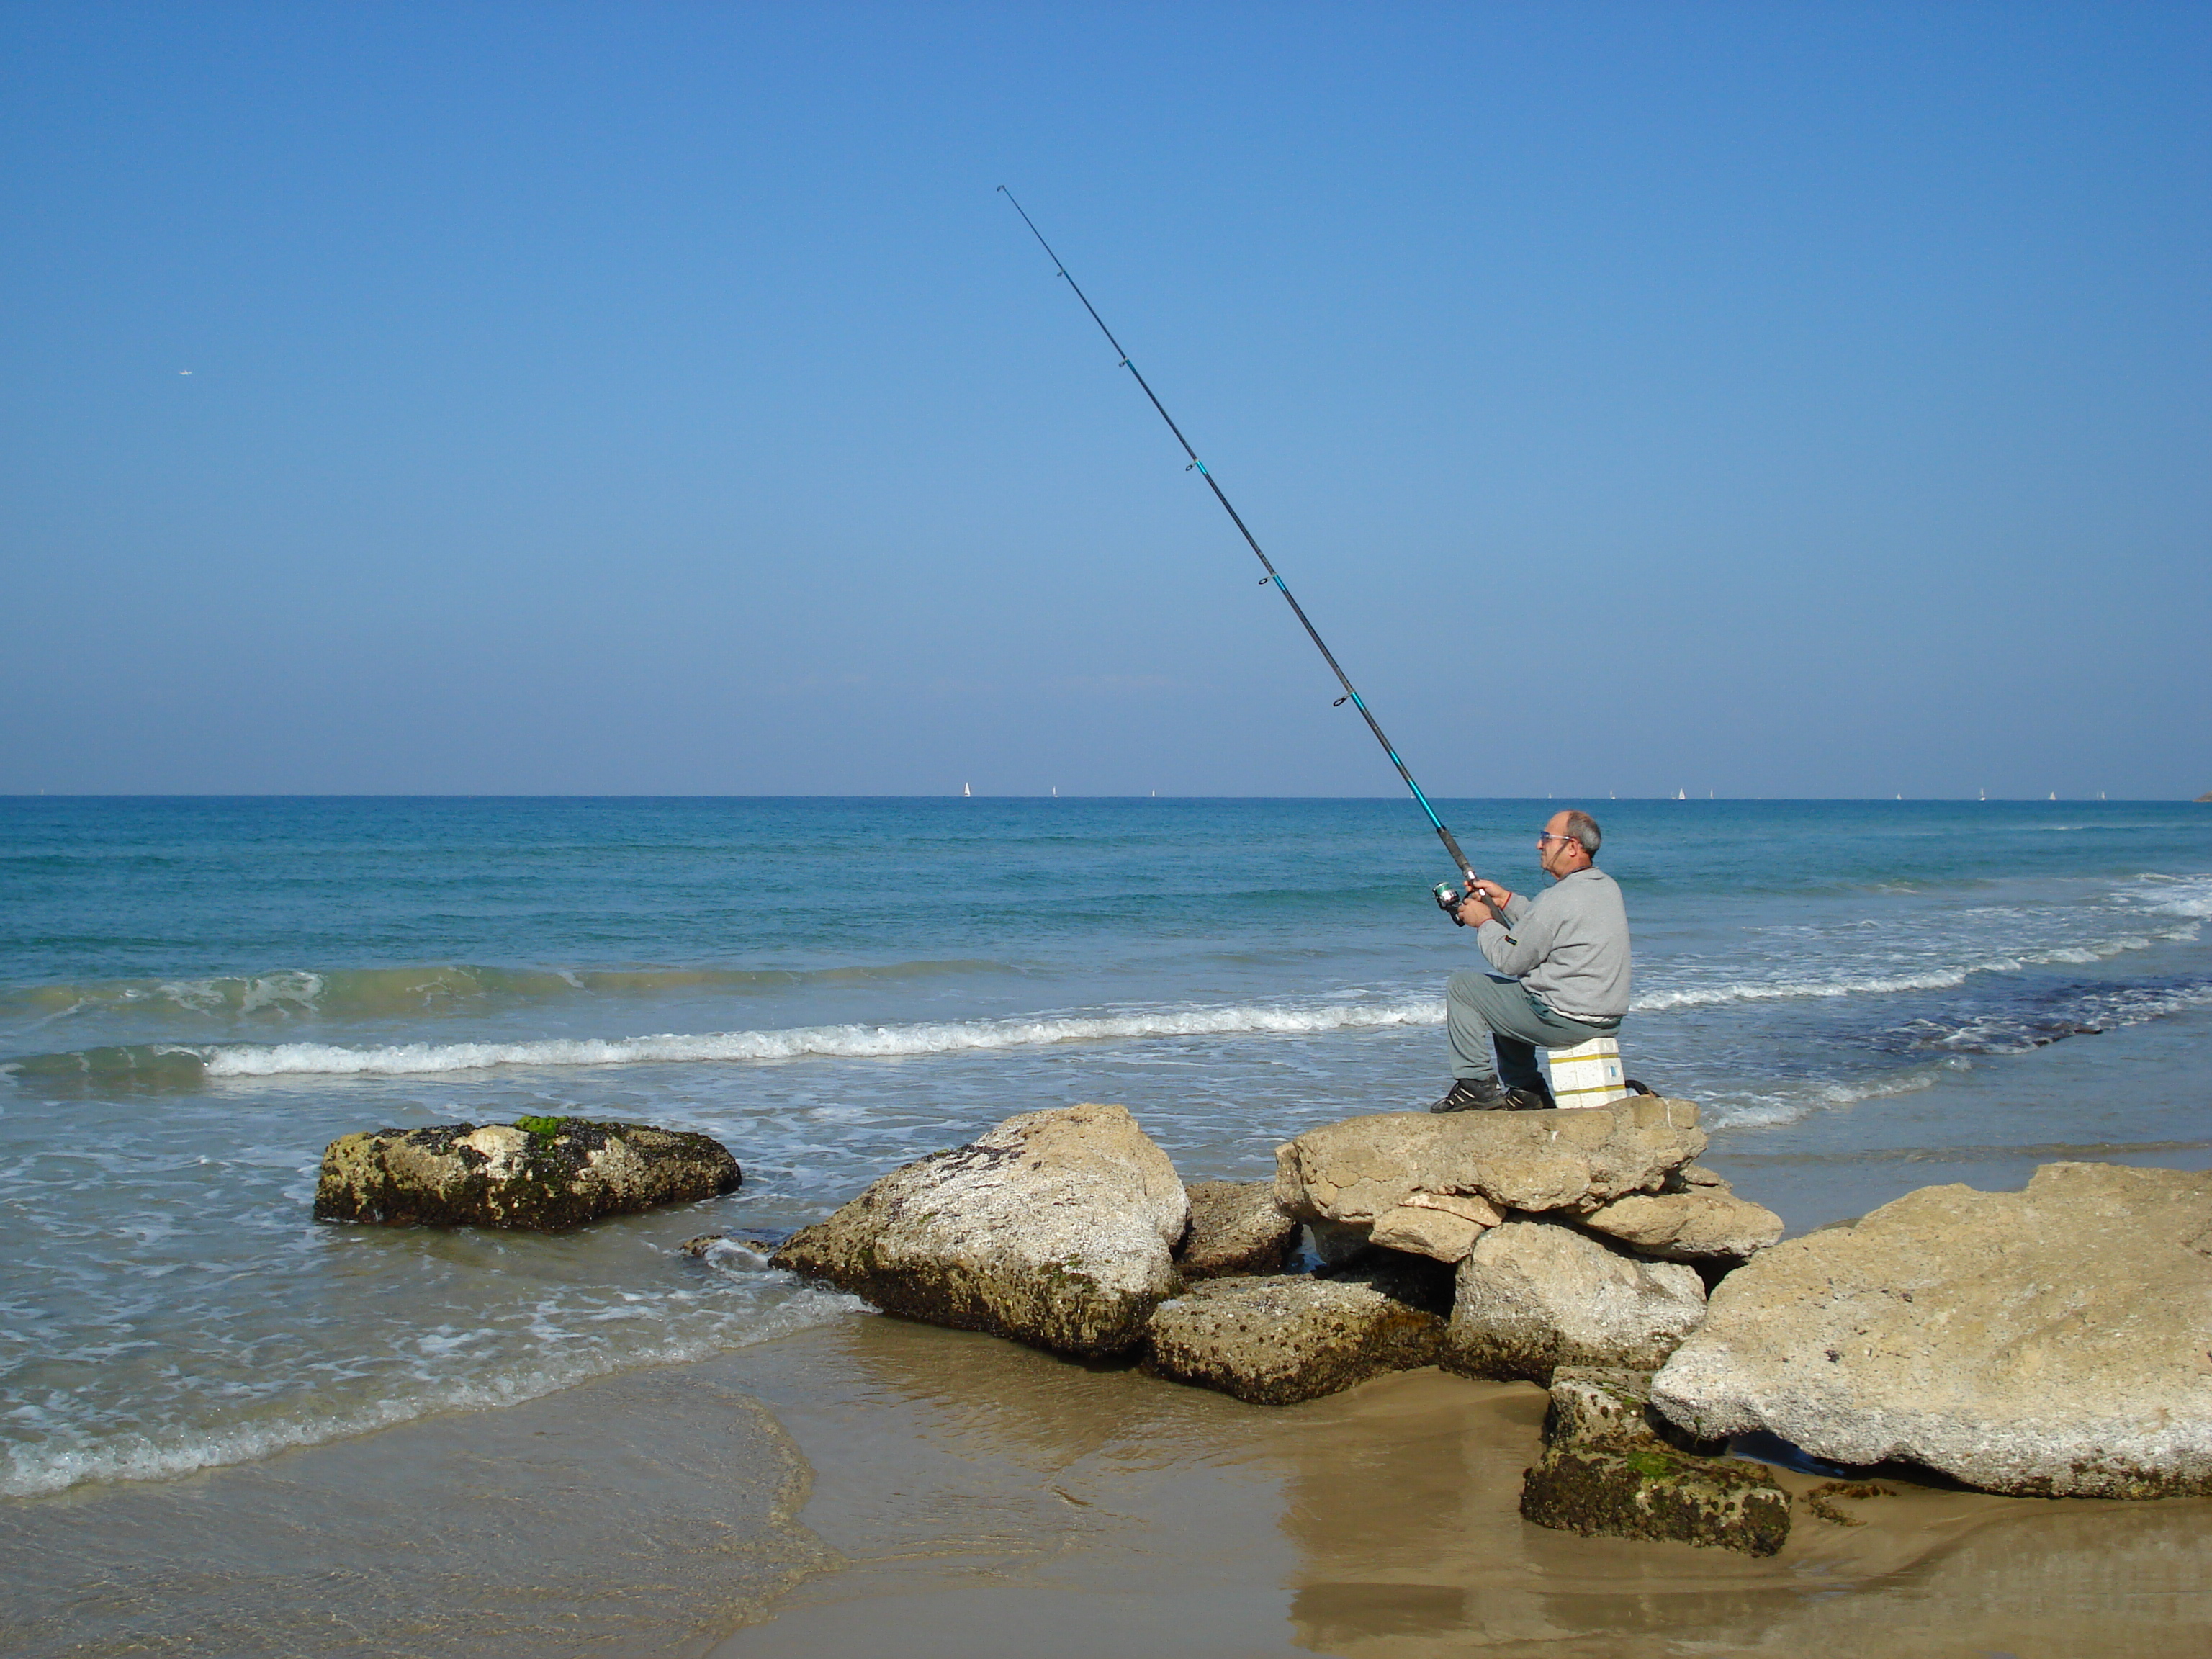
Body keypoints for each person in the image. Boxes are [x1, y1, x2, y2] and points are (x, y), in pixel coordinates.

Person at [1432, 809, 1629, 1112]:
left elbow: (1509, 960)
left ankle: (1475, 1085)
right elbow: (1550, 928)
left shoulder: (1559, 898)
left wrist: (1483, 922)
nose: (1540, 845)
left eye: (1547, 839)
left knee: (1464, 988)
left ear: (1573, 847)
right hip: (1603, 1021)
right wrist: (1506, 901)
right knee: (1511, 995)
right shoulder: (1604, 887)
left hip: (1566, 1020)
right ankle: (1527, 1091)